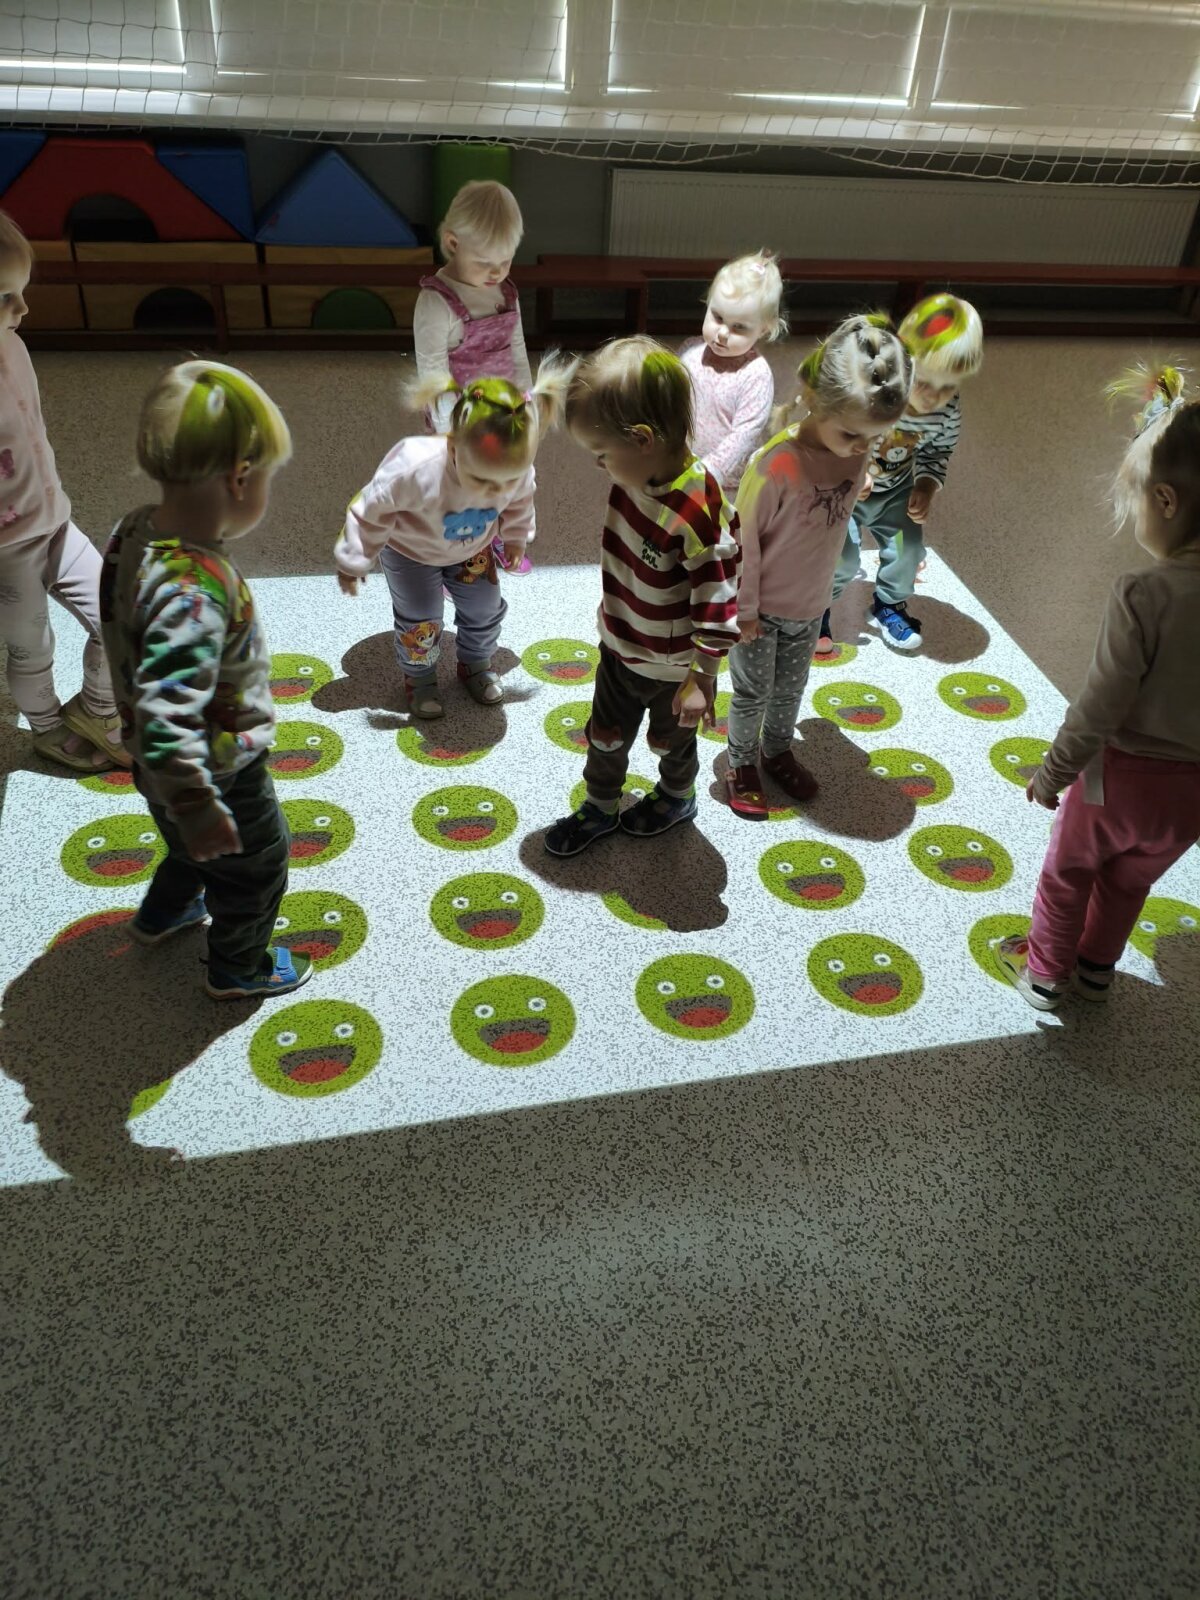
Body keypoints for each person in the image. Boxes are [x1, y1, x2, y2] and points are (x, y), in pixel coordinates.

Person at [99, 360, 311, 1000]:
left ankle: (165, 913)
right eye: (267, 478)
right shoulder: (194, 590)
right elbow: (169, 714)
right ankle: (238, 967)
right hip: (217, 771)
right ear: (240, 478)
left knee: (189, 847)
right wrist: (198, 805)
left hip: (155, 766)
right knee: (256, 869)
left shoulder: (135, 527)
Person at [997, 365, 1200, 1010]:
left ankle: (1045, 974)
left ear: (1165, 501)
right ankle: (1094, 969)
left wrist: (1053, 773)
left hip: (1116, 780)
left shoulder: (1144, 592)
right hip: (1189, 801)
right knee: (1129, 883)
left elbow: (1101, 704)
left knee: (1069, 873)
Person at [543, 337, 741, 857]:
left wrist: (703, 678)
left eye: (602, 454)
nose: (598, 466)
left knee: (672, 742)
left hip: (672, 667)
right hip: (621, 642)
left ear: (643, 439)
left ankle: (676, 797)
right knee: (605, 734)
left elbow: (719, 604)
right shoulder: (635, 472)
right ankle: (600, 805)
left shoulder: (696, 512)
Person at [725, 314, 914, 819]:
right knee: (752, 692)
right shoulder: (777, 463)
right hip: (759, 610)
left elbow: (838, 498)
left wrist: (860, 475)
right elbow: (743, 541)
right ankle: (741, 762)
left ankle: (777, 750)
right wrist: (744, 611)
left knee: (790, 689)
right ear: (814, 399)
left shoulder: (850, 451)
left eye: (873, 438)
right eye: (853, 435)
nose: (862, 448)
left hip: (810, 605)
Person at [335, 361, 571, 717]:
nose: (494, 492)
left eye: (505, 482)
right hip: (409, 552)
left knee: (485, 606)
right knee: (421, 618)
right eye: (482, 480)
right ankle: (420, 677)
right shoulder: (414, 466)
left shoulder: (515, 468)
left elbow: (521, 502)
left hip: (471, 550)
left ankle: (475, 662)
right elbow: (369, 508)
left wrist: (516, 538)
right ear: (453, 445)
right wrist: (354, 558)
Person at [0, 209, 128, 772]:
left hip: (54, 521)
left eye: (22, 291)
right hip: (6, 551)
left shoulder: (13, 346)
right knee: (32, 648)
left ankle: (98, 709)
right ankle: (47, 726)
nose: (22, 309)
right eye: (3, 297)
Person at [818, 292, 983, 655]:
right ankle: (815, 610)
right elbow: (832, 432)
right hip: (844, 490)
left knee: (908, 551)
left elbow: (938, 451)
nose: (932, 397)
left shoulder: (947, 411)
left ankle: (888, 605)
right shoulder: (874, 389)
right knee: (840, 557)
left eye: (948, 387)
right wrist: (850, 471)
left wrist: (926, 485)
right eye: (923, 381)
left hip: (896, 492)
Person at [413, 179, 534, 573]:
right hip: (459, 419)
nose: (497, 272)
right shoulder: (437, 302)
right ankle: (456, 555)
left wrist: (528, 400)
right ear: (453, 243)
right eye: (484, 262)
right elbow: (433, 374)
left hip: (503, 410)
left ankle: (502, 536)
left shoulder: (505, 293)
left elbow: (517, 348)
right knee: (459, 490)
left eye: (506, 261)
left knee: (511, 476)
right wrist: (449, 433)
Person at [679, 249, 783, 495]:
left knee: (722, 520)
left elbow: (745, 432)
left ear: (763, 330)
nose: (723, 333)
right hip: (682, 463)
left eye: (739, 327)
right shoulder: (690, 351)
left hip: (727, 481)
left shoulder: (756, 375)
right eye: (717, 317)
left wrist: (713, 469)